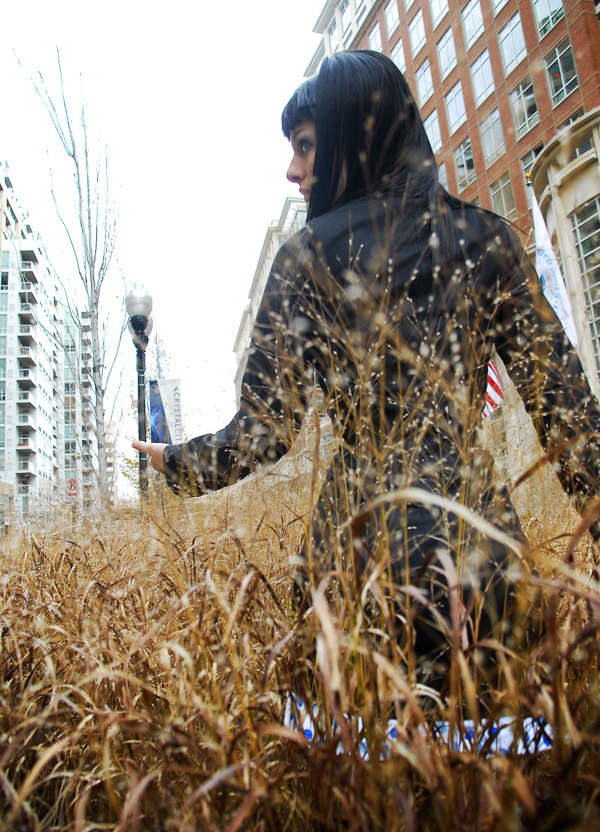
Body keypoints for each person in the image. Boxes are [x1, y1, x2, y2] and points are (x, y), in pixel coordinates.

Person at [134, 51, 600, 685]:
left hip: (353, 557)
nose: (291, 169)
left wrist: (176, 463)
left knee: (357, 766)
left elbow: (265, 434)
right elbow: (570, 419)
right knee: (494, 766)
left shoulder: (303, 259)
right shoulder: (485, 239)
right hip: (480, 554)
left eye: (305, 145)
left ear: (349, 137)